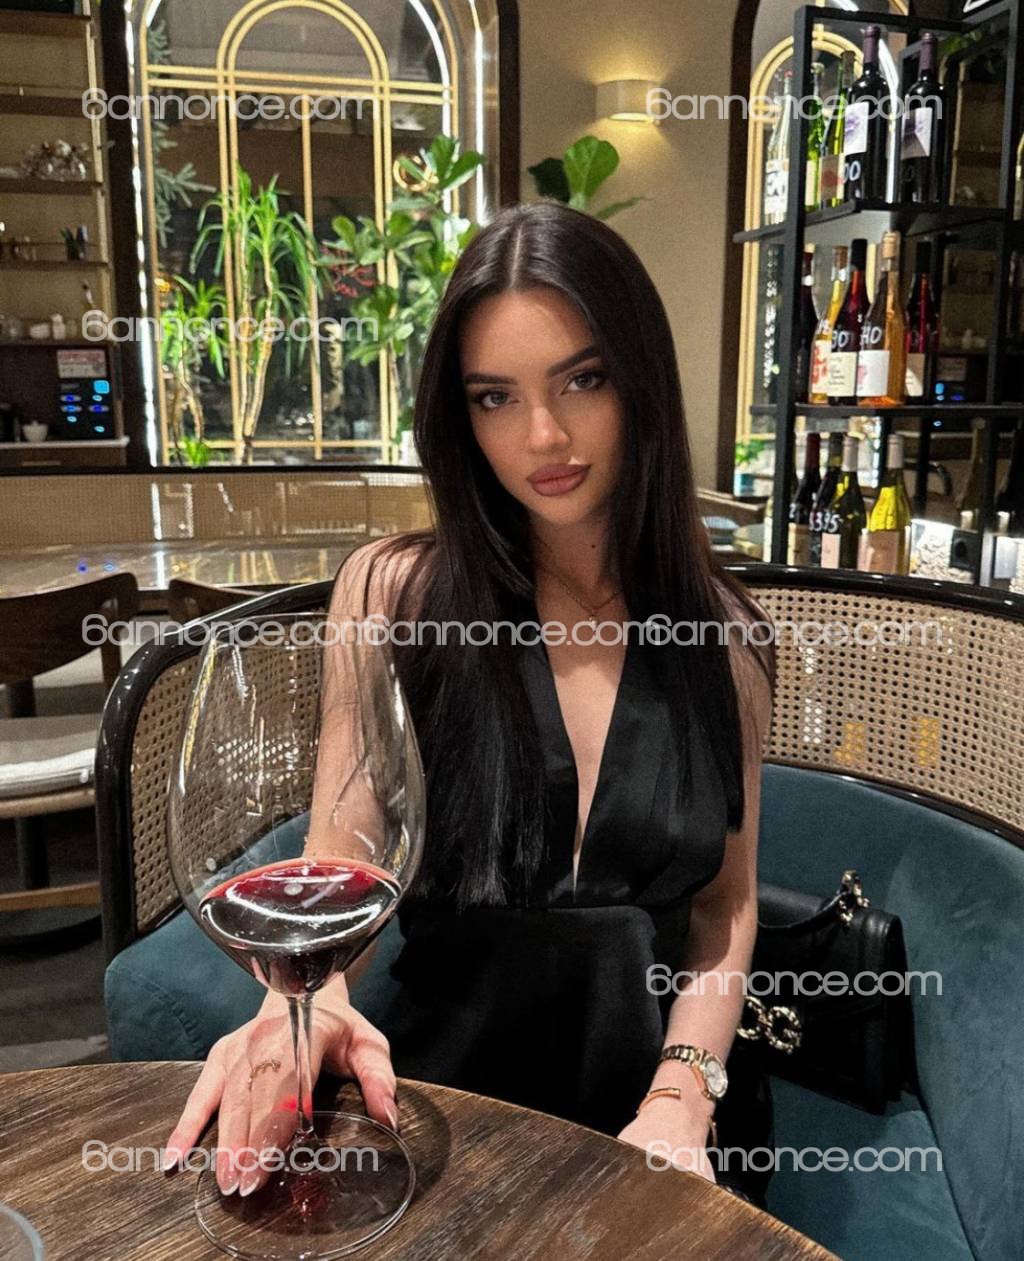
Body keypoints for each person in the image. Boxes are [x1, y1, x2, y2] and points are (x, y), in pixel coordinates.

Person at [165, 200, 776, 1204]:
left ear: (642, 382)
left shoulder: (727, 639)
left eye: (583, 379)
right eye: (495, 397)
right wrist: (300, 1008)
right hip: (444, 1100)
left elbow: (726, 905)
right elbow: (342, 861)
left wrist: (682, 1097)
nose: (544, 434)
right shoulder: (394, 596)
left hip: (654, 1113)